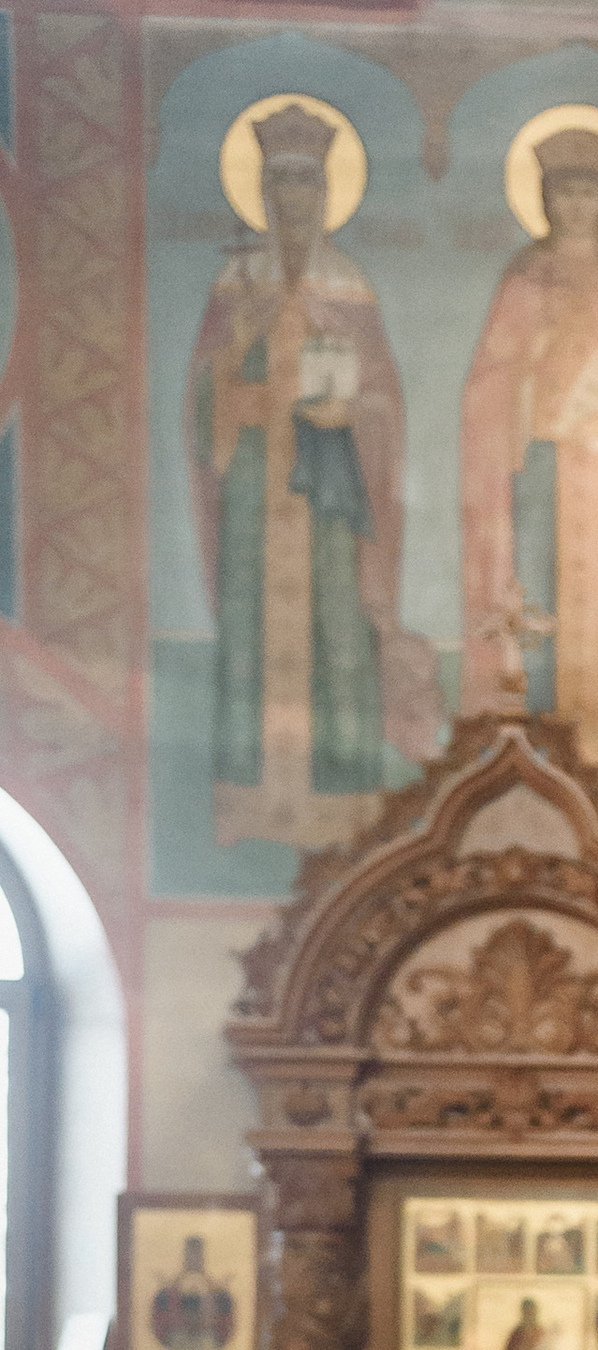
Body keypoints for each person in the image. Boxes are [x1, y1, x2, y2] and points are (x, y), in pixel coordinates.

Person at [187, 98, 435, 848]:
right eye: (281, 185)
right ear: (265, 194)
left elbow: (384, 397)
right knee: (252, 631)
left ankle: (344, 809)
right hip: (256, 478)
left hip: (329, 483)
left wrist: (352, 411)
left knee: (337, 626)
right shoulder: (238, 283)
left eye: (306, 185)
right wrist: (239, 371)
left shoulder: (347, 282)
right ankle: (247, 803)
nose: (294, 200)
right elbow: (202, 393)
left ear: (325, 194)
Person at [459, 131, 598, 795]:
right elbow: (488, 383)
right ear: (544, 198)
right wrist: (533, 383)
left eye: (589, 191)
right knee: (534, 617)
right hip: (541, 471)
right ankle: (525, 782)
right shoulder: (525, 277)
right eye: (565, 190)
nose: (577, 205)